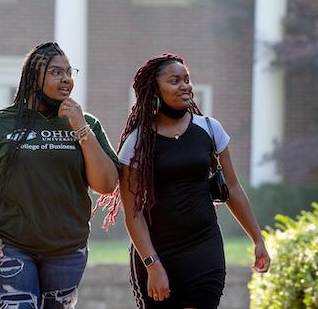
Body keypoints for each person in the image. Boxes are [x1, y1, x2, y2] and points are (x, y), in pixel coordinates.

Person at [0, 42, 120, 309]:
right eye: (55, 72)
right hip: (8, 247)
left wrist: (81, 128)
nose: (66, 78)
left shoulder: (85, 123)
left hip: (67, 251)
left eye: (69, 71)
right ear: (32, 79)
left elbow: (107, 184)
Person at [101, 53, 270, 309]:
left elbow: (233, 188)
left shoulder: (210, 130)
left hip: (204, 246)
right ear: (155, 90)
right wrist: (152, 265)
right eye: (175, 81)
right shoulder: (138, 142)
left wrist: (257, 239)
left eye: (187, 79)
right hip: (157, 252)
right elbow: (133, 213)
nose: (185, 86)